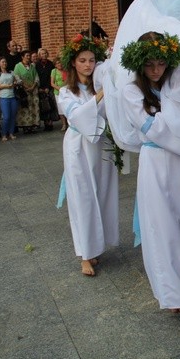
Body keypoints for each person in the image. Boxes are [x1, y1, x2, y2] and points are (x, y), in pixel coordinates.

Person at [120, 31, 180, 335]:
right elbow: (154, 127)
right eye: (150, 65)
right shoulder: (131, 92)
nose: (156, 71)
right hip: (158, 163)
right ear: (139, 64)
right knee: (164, 233)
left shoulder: (175, 88)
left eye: (162, 64)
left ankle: (170, 291)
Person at [57, 33, 119, 275]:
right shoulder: (66, 92)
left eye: (92, 60)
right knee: (82, 196)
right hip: (78, 146)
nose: (88, 65)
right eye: (83, 60)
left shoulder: (99, 85)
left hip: (101, 145)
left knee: (102, 193)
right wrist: (102, 93)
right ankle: (84, 253)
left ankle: (96, 247)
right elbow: (78, 115)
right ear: (74, 62)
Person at [14, 50, 40, 133]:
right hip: (24, 90)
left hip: (33, 90)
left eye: (29, 56)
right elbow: (17, 77)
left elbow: (36, 76)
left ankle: (33, 124)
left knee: (33, 107)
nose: (28, 57)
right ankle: (25, 126)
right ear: (22, 57)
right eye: (27, 56)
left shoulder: (32, 66)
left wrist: (33, 86)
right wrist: (25, 86)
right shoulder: (18, 66)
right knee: (25, 108)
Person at [0, 56, 18, 142]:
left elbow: (15, 81)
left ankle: (11, 133)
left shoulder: (11, 72)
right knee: (6, 117)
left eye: (5, 62)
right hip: (4, 97)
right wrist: (5, 86)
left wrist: (14, 83)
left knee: (12, 116)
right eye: (2, 62)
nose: (4, 63)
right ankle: (4, 133)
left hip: (12, 97)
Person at [36, 48, 58, 131]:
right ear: (39, 55)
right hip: (41, 87)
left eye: (45, 53)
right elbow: (37, 77)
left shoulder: (50, 64)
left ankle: (51, 122)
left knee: (50, 104)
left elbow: (52, 76)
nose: (44, 55)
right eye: (42, 54)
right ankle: (46, 123)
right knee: (43, 106)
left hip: (49, 87)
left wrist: (48, 87)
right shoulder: (37, 65)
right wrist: (40, 88)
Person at [50, 59, 69, 131]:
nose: (59, 64)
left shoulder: (66, 70)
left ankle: (69, 123)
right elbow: (52, 83)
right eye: (57, 63)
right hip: (58, 92)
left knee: (67, 107)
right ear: (55, 65)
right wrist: (60, 89)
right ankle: (64, 124)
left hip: (67, 91)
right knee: (60, 108)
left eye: (60, 63)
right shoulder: (54, 71)